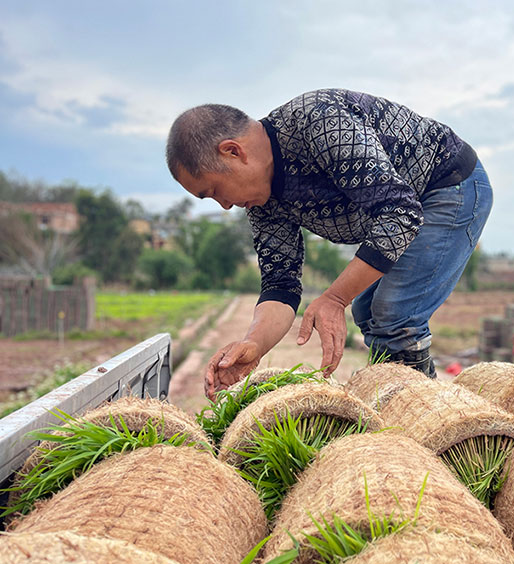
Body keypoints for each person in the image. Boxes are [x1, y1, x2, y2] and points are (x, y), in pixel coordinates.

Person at [166, 89, 492, 399]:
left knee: (394, 314)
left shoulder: (318, 123)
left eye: (213, 191)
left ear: (233, 151)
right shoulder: (264, 203)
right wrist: (253, 343)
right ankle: (398, 409)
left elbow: (400, 213)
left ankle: (428, 418)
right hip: (407, 208)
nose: (224, 205)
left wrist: (335, 298)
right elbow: (281, 286)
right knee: (366, 308)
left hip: (448, 186)